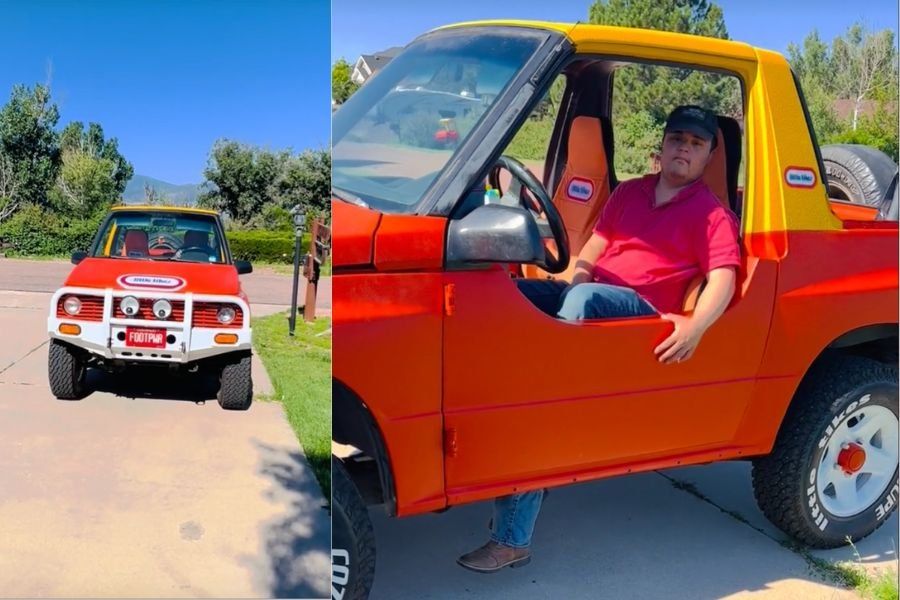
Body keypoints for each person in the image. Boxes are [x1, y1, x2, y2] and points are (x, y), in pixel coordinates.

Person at [457, 105, 742, 573]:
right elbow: (593, 247)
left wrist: (695, 326)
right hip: (590, 295)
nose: (683, 149)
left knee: (577, 317)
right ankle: (478, 386)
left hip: (640, 312)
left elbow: (723, 278)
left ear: (709, 154)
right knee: (500, 293)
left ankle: (543, 397)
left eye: (695, 144)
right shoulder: (630, 192)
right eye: (677, 139)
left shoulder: (712, 215)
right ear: (663, 145)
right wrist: (572, 281)